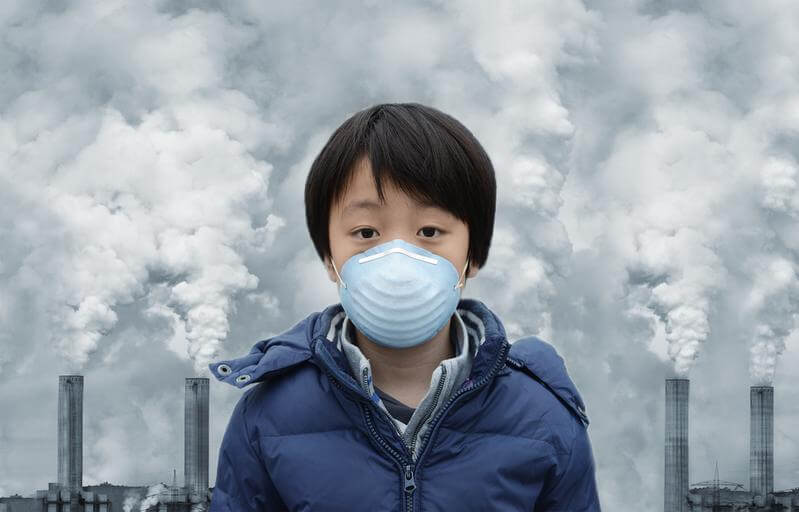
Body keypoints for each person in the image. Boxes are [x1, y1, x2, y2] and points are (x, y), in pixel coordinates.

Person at [208, 103, 601, 511]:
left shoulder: (542, 416)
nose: (398, 258)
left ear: (474, 255)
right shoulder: (269, 415)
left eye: (429, 231)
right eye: (366, 232)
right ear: (329, 256)